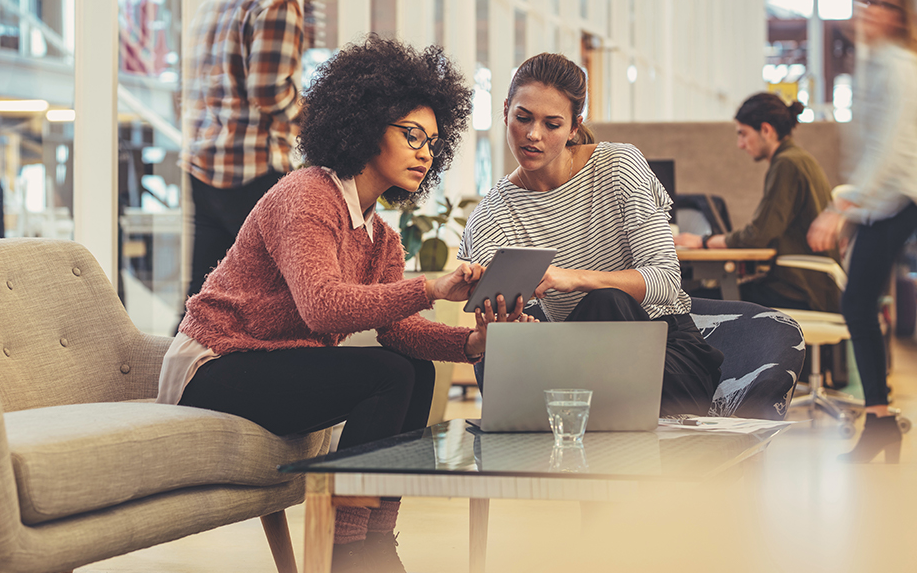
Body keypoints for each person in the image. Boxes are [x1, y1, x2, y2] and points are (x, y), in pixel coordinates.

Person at [158, 36, 532, 573]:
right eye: (411, 134)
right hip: (215, 364)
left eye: (432, 140)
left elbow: (399, 331)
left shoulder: (381, 236)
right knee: (385, 374)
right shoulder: (306, 195)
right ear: (363, 124)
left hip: (273, 361)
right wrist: (430, 287)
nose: (425, 151)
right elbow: (322, 308)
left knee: (414, 370)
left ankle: (374, 538)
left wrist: (471, 342)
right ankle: (346, 549)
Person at [459, 52, 724, 417]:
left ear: (573, 126)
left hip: (665, 358)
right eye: (522, 118)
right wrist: (502, 320)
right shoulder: (490, 216)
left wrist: (573, 279)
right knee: (499, 349)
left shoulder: (619, 166)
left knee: (606, 302)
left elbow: (665, 278)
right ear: (505, 110)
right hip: (573, 364)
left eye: (552, 124)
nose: (533, 135)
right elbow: (518, 331)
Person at [808, 0, 917, 463]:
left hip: (900, 198)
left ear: (896, 15)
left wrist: (845, 208)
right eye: (860, 4)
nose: (864, 13)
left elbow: (889, 148)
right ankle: (879, 420)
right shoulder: (873, 66)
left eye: (877, 5)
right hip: (885, 202)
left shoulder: (898, 66)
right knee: (861, 302)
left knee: (857, 301)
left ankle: (880, 420)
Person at [177, 0, 304, 332]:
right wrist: (314, 118)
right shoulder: (277, 3)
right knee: (279, 304)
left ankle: (171, 378)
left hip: (204, 165)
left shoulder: (215, 3)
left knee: (201, 298)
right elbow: (268, 90)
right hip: (254, 166)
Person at [673, 92, 839, 312]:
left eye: (743, 134)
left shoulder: (787, 165)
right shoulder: (799, 159)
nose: (740, 144)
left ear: (766, 130)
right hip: (814, 287)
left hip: (800, 290)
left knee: (691, 302)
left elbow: (757, 236)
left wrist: (702, 242)